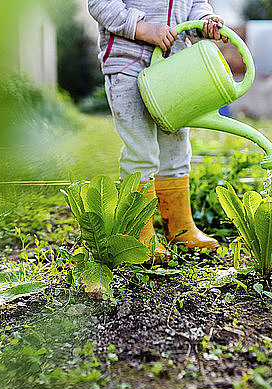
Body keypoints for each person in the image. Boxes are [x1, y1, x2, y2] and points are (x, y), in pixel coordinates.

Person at [88, 0, 229, 262]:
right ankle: (137, 235)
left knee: (176, 147)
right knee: (141, 149)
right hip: (128, 63)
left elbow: (196, 4)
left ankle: (180, 228)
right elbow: (100, 2)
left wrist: (205, 21)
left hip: (174, 65)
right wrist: (143, 28)